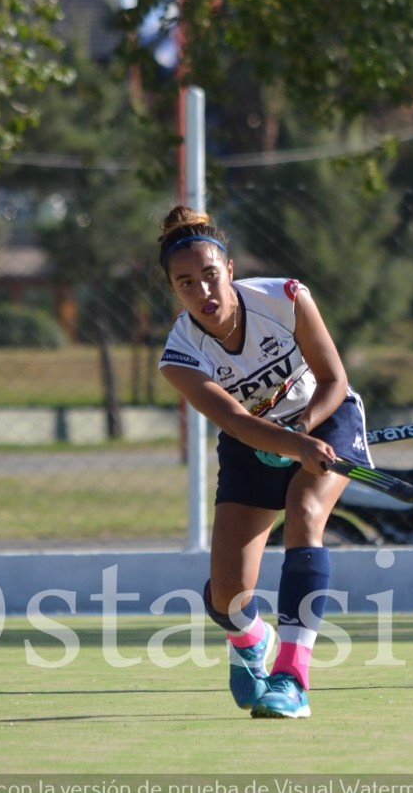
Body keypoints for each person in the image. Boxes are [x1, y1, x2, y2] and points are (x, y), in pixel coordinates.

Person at [156, 205, 372, 719]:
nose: (203, 292)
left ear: (229, 270)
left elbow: (334, 379)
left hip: (326, 419)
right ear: (174, 290)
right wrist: (290, 444)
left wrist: (305, 432)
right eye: (186, 284)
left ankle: (292, 677)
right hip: (253, 441)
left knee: (305, 513)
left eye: (210, 276)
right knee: (227, 596)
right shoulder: (178, 355)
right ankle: (251, 638)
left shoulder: (285, 298)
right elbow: (234, 420)